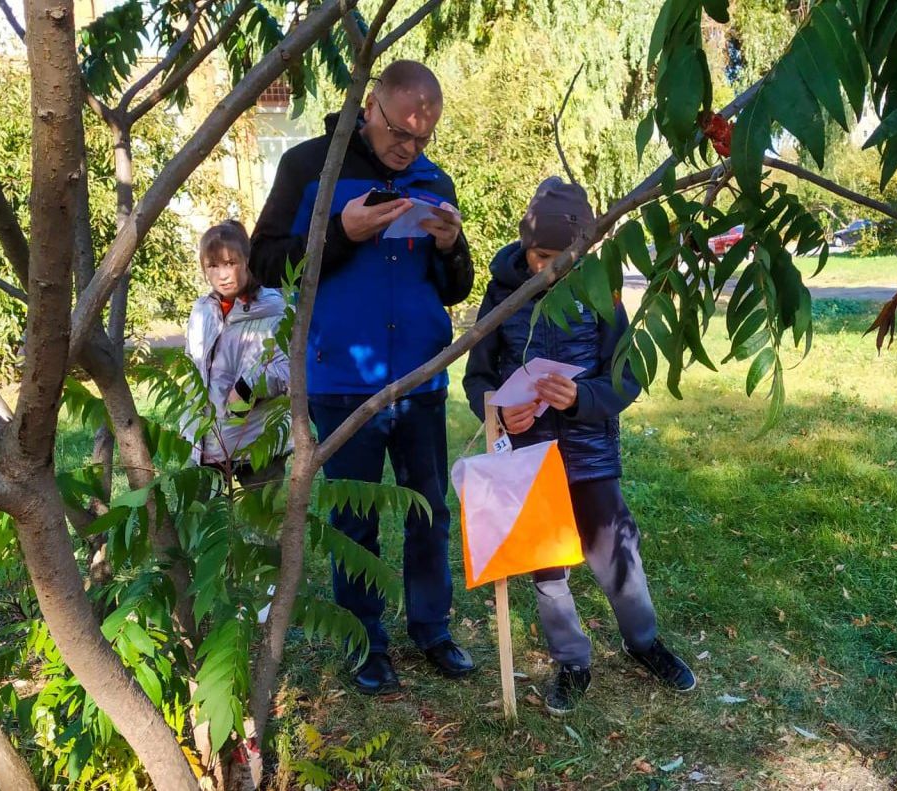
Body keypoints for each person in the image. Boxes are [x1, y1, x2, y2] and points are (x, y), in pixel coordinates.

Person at [249, 60, 475, 694]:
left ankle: (433, 629)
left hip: (423, 379)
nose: (410, 147)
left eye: (423, 138)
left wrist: (452, 246)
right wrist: (339, 234)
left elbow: (457, 288)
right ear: (371, 107)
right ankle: (365, 642)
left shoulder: (435, 179)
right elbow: (265, 260)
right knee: (355, 521)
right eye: (400, 132)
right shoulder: (309, 167)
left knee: (430, 510)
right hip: (343, 380)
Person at [462, 177, 696, 716]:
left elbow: (627, 375)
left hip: (589, 452)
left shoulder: (600, 291)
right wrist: (497, 408)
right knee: (547, 566)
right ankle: (571, 660)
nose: (550, 267)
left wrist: (580, 395)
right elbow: (477, 378)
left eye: (563, 257)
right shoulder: (502, 292)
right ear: (525, 246)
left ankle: (644, 643)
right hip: (529, 456)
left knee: (617, 552)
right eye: (540, 255)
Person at [184, 220, 290, 488]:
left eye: (230, 263)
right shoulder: (202, 311)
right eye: (213, 265)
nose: (223, 274)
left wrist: (247, 386)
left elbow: (290, 370)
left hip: (256, 440)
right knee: (204, 523)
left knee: (267, 524)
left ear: (246, 260)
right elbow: (193, 367)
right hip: (205, 441)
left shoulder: (275, 311)